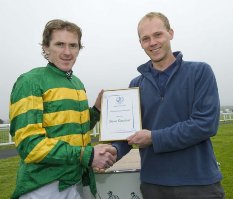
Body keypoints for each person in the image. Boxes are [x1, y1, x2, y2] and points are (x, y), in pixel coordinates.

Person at [112, 12, 225, 199]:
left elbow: (205, 124)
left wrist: (154, 138)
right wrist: (113, 150)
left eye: (158, 35)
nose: (152, 42)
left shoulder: (200, 72)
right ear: (140, 43)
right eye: (145, 38)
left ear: (170, 33)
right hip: (153, 185)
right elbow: (130, 132)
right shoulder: (135, 85)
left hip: (199, 184)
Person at [9, 19, 116, 199]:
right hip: (43, 187)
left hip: (75, 182)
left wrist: (96, 110)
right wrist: (87, 155)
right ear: (46, 47)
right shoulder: (30, 81)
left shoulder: (77, 83)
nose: (67, 52)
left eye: (73, 46)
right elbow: (30, 145)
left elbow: (74, 128)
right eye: (60, 44)